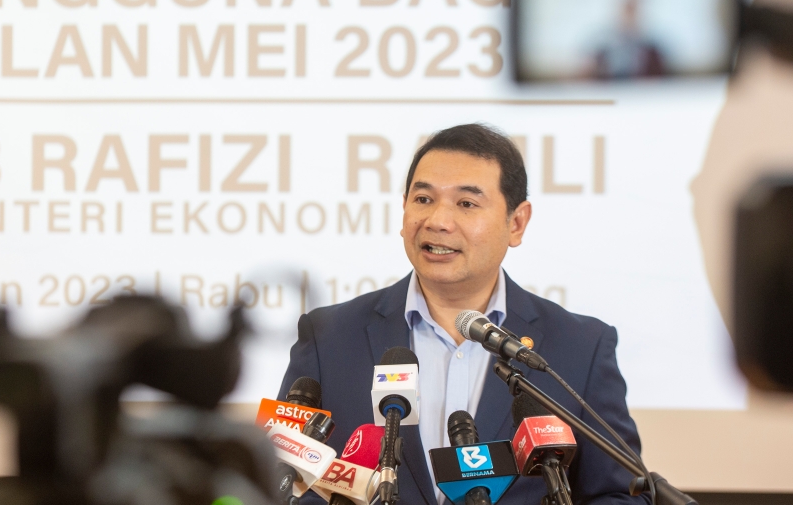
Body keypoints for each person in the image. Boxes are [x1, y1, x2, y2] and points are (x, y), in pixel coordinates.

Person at [278, 123, 648, 504]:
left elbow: (621, 493)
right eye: (423, 199)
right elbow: (281, 480)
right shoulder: (330, 336)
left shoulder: (579, 348)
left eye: (466, 203)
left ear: (516, 223)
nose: (438, 220)